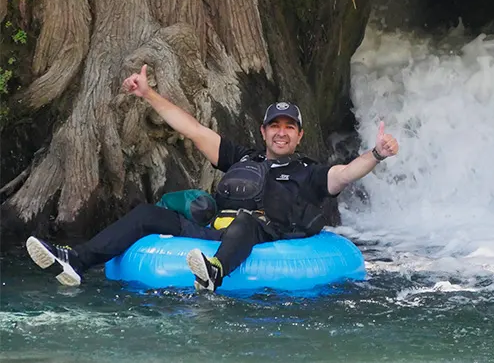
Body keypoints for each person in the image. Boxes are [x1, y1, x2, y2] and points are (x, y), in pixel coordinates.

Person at [26, 64, 399, 291]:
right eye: (274, 126)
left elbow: (346, 173)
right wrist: (149, 94)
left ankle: (215, 273)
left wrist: (377, 153)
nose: (281, 133)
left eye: (289, 127)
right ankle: (76, 260)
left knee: (246, 223)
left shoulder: (310, 172)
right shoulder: (243, 157)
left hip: (257, 235)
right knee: (146, 215)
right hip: (210, 231)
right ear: (263, 131)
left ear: (299, 135)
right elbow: (192, 129)